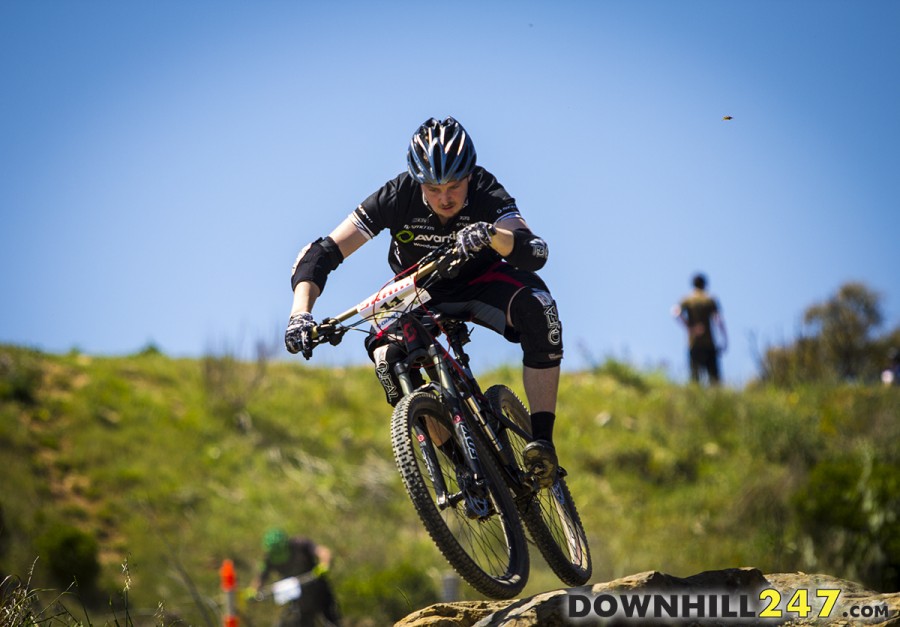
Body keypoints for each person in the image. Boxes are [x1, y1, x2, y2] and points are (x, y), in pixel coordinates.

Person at [284, 117, 563, 487]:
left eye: (454, 186)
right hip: (420, 289)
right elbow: (322, 254)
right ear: (417, 181)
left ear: (470, 176)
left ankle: (542, 443)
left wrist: (491, 235)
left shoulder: (484, 189)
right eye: (432, 188)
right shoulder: (397, 195)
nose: (445, 197)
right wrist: (300, 315)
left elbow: (533, 251)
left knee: (540, 308)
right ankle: (463, 467)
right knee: (386, 355)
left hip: (481, 280)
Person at [249, 528, 341, 627]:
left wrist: (324, 565)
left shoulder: (300, 544)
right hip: (297, 593)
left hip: (317, 586)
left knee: (331, 617)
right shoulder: (269, 558)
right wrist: (253, 590)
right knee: (301, 620)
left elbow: (323, 552)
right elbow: (261, 578)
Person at [672, 273, 728, 385]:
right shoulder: (710, 299)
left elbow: (675, 312)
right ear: (705, 284)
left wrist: (690, 328)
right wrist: (725, 339)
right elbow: (718, 320)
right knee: (715, 380)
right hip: (709, 343)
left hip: (694, 343)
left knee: (695, 378)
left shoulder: (687, 299)